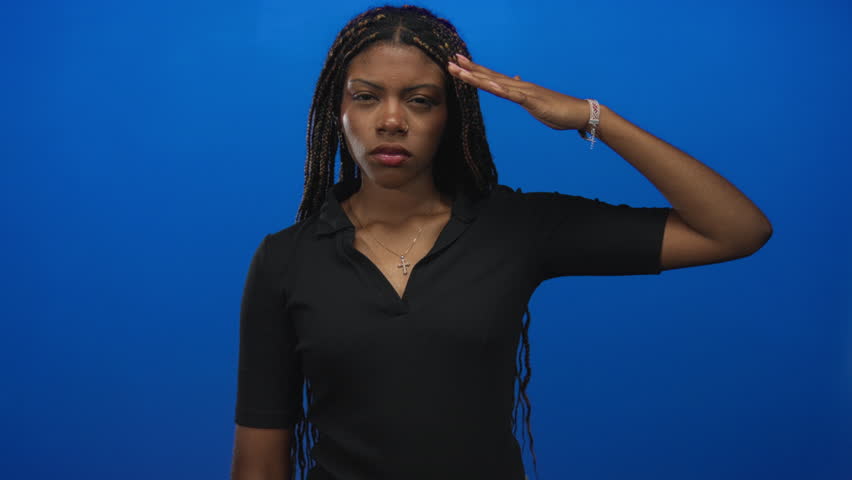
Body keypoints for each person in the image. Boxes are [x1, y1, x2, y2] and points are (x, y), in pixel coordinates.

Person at [230, 5, 772, 480]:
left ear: (451, 114)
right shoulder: (285, 259)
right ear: (337, 110)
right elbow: (258, 462)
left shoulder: (516, 227)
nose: (391, 120)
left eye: (419, 100)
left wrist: (591, 117)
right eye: (367, 97)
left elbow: (736, 230)